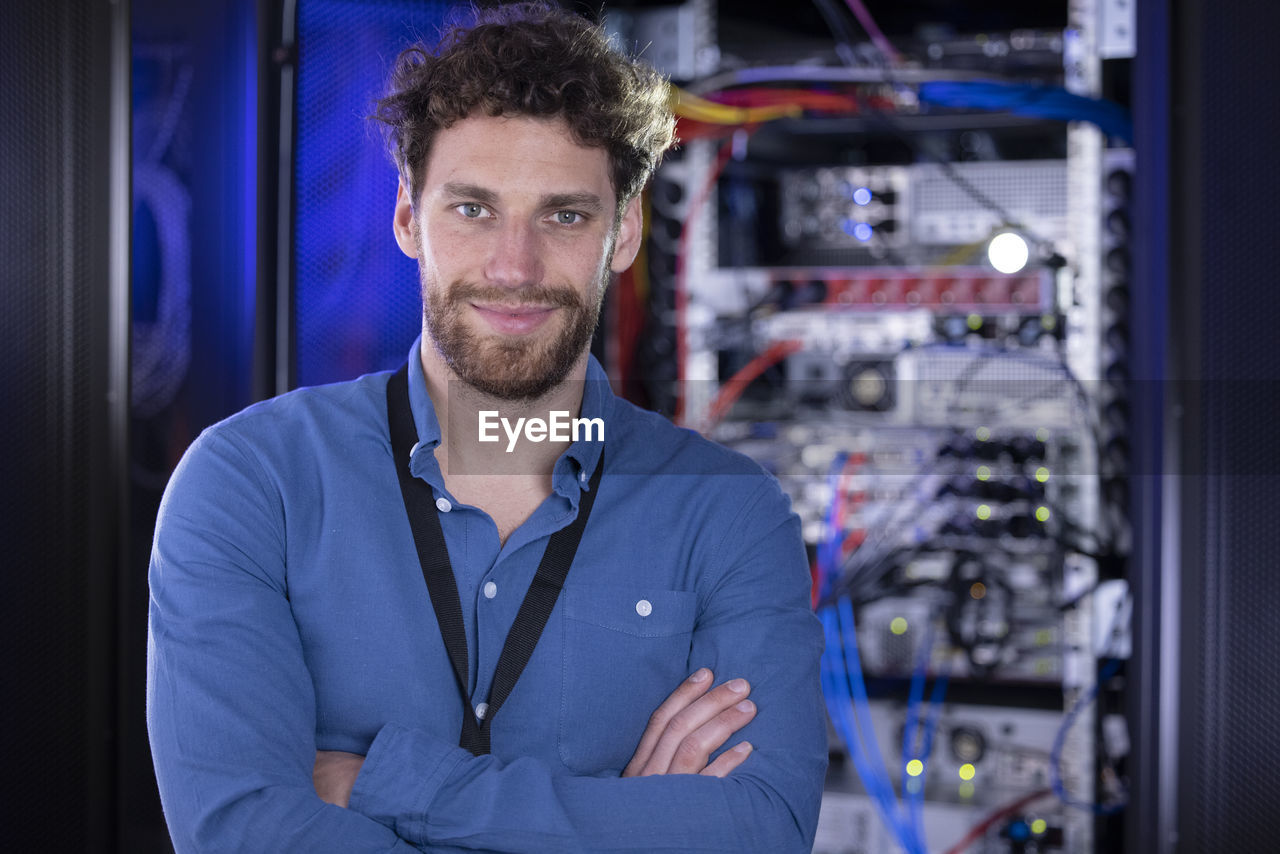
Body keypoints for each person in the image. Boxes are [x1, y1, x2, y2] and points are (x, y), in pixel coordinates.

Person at [146, 3, 826, 851]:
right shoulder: (251, 482)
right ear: (406, 221)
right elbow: (243, 832)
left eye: (565, 215)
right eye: (472, 210)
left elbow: (758, 830)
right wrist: (627, 824)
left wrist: (380, 782)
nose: (515, 267)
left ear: (625, 232)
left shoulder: (730, 512)